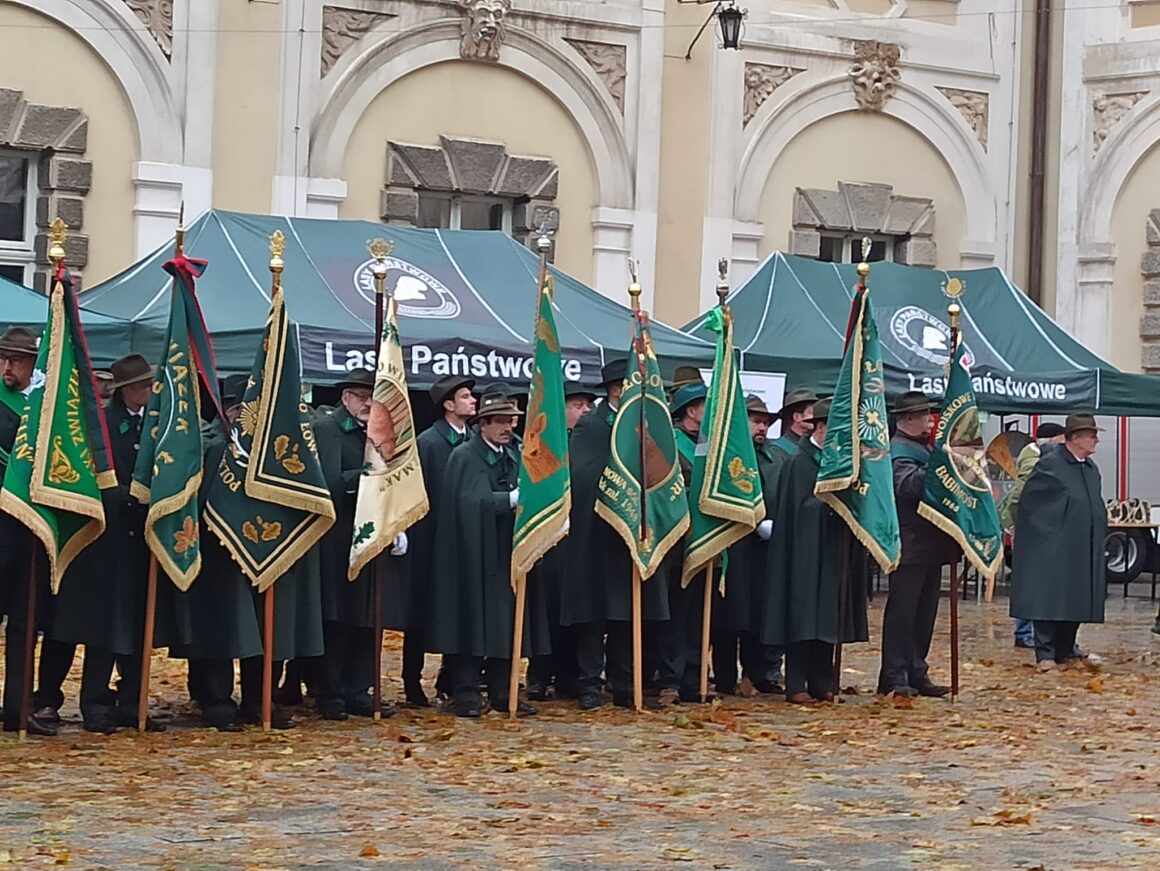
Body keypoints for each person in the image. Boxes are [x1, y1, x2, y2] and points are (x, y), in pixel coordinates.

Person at [50, 354, 168, 732]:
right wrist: (119, 495)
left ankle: (132, 700)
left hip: (142, 538)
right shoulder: (101, 424)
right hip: (105, 538)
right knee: (103, 624)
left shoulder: (154, 424)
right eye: (143, 385)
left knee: (137, 624)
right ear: (127, 390)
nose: (148, 391)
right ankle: (95, 703)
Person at [426, 394, 546, 717]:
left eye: (511, 421)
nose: (508, 427)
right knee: (471, 623)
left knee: (504, 624)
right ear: (484, 425)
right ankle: (465, 693)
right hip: (471, 557)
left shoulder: (512, 455)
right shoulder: (466, 456)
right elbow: (469, 502)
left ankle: (503, 691)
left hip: (505, 554)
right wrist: (509, 499)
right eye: (501, 421)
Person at [560, 360, 669, 710]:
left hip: (631, 536)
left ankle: (625, 684)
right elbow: (584, 473)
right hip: (595, 535)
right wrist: (620, 486)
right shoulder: (592, 425)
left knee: (628, 613)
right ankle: (589, 684)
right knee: (593, 615)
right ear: (614, 389)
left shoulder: (645, 425)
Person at [761, 398, 870, 703]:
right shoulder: (800, 462)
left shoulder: (840, 461)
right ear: (819, 427)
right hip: (804, 554)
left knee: (828, 617)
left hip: (834, 549)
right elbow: (798, 509)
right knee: (803, 616)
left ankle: (824, 679)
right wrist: (830, 506)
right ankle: (796, 683)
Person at [312, 369, 405, 720]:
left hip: (374, 534)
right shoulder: (327, 430)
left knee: (369, 616)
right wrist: (367, 475)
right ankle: (329, 691)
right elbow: (328, 483)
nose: (368, 404)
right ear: (345, 397)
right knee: (337, 617)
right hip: (337, 536)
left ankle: (359, 687)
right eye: (361, 397)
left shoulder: (381, 431)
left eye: (373, 397)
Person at [1010, 414, 1108, 672]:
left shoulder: (1089, 468)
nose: (1096, 440)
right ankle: (1045, 654)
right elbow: (1033, 504)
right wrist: (1049, 533)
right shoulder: (1050, 464)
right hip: (1053, 546)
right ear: (1075, 438)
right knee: (1048, 599)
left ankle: (1066, 649)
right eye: (1092, 435)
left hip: (1081, 546)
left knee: (1076, 598)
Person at [403, 374, 476, 706]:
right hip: (429, 540)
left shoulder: (473, 440)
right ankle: (411, 680)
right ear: (448, 405)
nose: (472, 401)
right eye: (464, 396)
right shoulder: (429, 443)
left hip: (464, 541)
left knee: (457, 610)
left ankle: (452, 677)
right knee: (419, 615)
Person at [877, 391, 955, 698]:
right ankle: (893, 674)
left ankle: (916, 669)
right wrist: (938, 465)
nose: (930, 420)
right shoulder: (898, 450)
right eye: (924, 415)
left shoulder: (923, 448)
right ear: (908, 419)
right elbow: (906, 487)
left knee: (924, 614)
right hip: (908, 543)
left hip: (930, 543)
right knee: (903, 613)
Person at [524, 383, 598, 702]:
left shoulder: (592, 442)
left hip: (581, 538)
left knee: (577, 609)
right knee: (547, 609)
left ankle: (570, 676)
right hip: (549, 539)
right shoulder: (543, 443)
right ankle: (539, 675)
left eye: (587, 406)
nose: (584, 411)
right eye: (577, 405)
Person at [0, 327, 55, 736]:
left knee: (25, 622)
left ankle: (18, 708)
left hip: (29, 530)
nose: (7, 368)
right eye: (2, 359)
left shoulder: (43, 408)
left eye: (16, 361)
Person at [711, 395, 782, 695]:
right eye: (756, 421)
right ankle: (725, 676)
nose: (762, 428)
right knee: (728, 616)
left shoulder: (775, 458)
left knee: (757, 614)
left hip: (764, 551)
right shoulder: (726, 456)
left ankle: (759, 674)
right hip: (732, 545)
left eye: (765, 423)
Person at [661, 380, 710, 703]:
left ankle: (695, 678)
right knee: (677, 618)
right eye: (705, 406)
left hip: (708, 541)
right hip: (679, 543)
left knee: (700, 616)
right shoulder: (671, 444)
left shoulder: (711, 444)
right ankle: (670, 679)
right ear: (691, 412)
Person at [1000, 422, 1066, 648]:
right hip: (1033, 531)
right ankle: (1024, 632)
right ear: (1052, 439)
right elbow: (1019, 494)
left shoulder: (1037, 457)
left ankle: (1030, 632)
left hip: (1036, 529)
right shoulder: (1035, 459)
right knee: (1031, 583)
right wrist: (1019, 525)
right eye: (1062, 438)